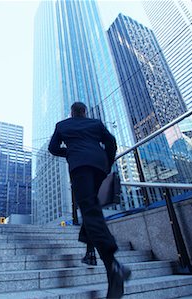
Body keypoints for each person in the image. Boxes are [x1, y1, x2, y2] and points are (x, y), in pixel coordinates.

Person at [48, 102, 130, 298]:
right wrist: (108, 162)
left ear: (72, 113)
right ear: (84, 112)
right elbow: (111, 142)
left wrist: (69, 152)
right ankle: (90, 252)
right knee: (91, 208)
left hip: (80, 166)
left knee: (90, 209)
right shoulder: (96, 123)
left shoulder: (62, 125)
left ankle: (112, 264)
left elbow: (52, 148)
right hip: (99, 166)